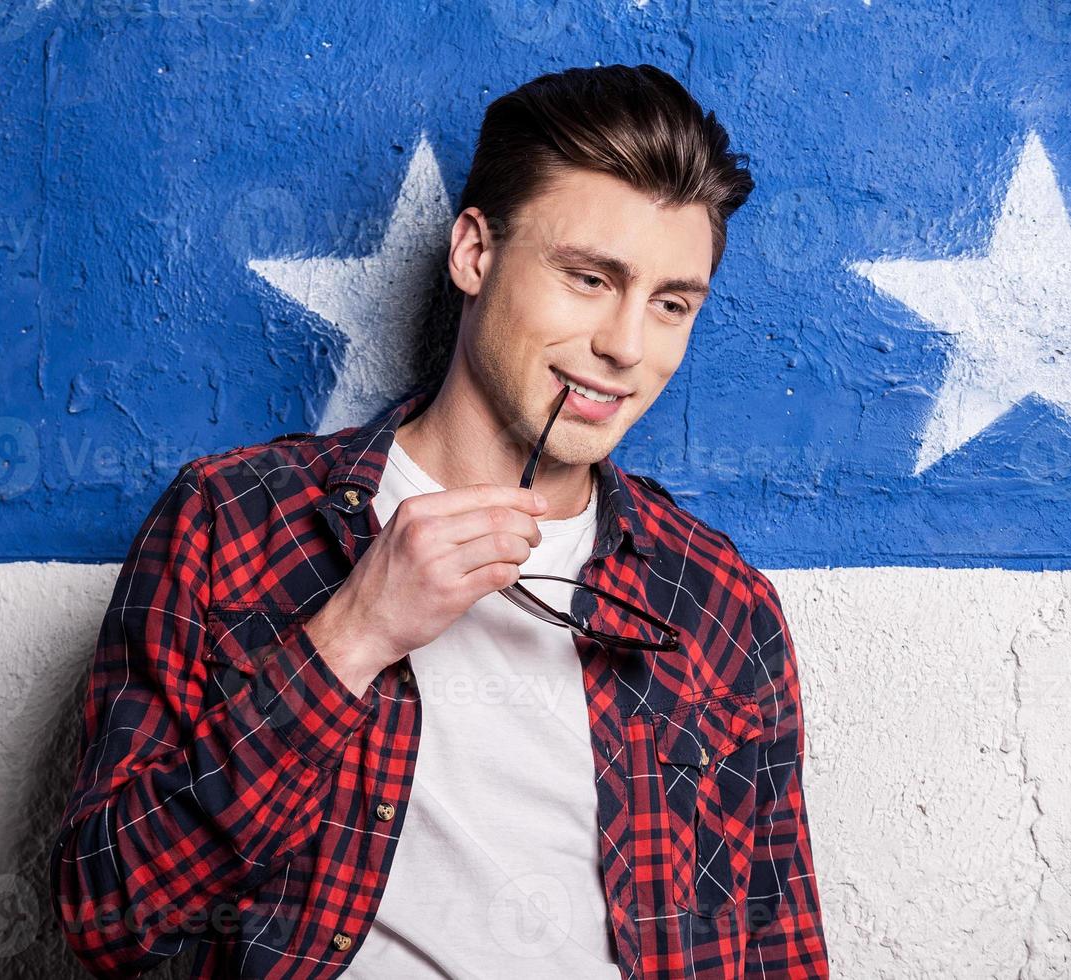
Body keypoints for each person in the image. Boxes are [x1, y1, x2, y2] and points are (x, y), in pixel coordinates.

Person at [49, 63, 829, 979]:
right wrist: (349, 639)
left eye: (669, 305)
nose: (625, 346)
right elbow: (105, 916)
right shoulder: (232, 523)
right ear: (472, 253)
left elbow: (780, 948)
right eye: (587, 279)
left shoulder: (718, 606)